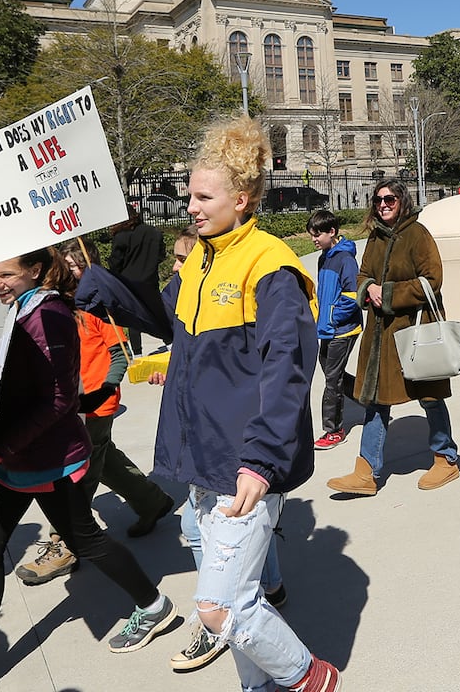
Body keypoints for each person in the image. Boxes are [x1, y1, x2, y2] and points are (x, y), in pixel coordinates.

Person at [0, 247, 176, 692]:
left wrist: (0, 446)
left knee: (87, 540)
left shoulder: (49, 316)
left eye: (5, 274)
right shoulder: (25, 308)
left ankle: (154, 605)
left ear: (36, 271)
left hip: (48, 459)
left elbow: (60, 399)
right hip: (19, 456)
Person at [153, 117, 338, 691]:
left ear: (242, 198)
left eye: (203, 197)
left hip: (245, 463)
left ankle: (311, 677)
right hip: (203, 459)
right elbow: (178, 337)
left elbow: (287, 370)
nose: (191, 206)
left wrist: (259, 459)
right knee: (241, 599)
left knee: (217, 608)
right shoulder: (202, 259)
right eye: (190, 195)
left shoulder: (270, 264)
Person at [14, 242, 177, 585]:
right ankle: (152, 502)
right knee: (105, 459)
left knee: (77, 474)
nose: (71, 272)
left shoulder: (100, 307)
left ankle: (65, 542)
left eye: (77, 266)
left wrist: (103, 389)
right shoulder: (58, 306)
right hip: (65, 407)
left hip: (94, 407)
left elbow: (121, 355)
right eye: (66, 266)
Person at [326, 179, 460, 495]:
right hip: (381, 336)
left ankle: (446, 459)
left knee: (429, 395)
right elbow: (362, 275)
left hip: (415, 330)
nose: (383, 204)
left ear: (403, 201)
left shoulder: (417, 234)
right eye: (378, 200)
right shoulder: (375, 236)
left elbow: (432, 280)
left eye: (389, 199)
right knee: (375, 400)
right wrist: (367, 288)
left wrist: (385, 293)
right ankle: (366, 472)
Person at [309, 208, 362, 450]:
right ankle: (367, 398)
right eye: (312, 235)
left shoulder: (345, 260)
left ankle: (334, 430)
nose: (313, 240)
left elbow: (352, 296)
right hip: (328, 329)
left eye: (317, 235)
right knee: (333, 372)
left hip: (343, 329)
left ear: (332, 232)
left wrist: (332, 318)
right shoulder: (325, 257)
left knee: (332, 379)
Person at [109, 204, 166, 354]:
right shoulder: (154, 232)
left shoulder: (121, 237)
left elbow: (115, 262)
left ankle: (138, 353)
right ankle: (170, 342)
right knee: (157, 313)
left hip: (128, 283)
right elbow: (161, 255)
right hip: (150, 280)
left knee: (133, 318)